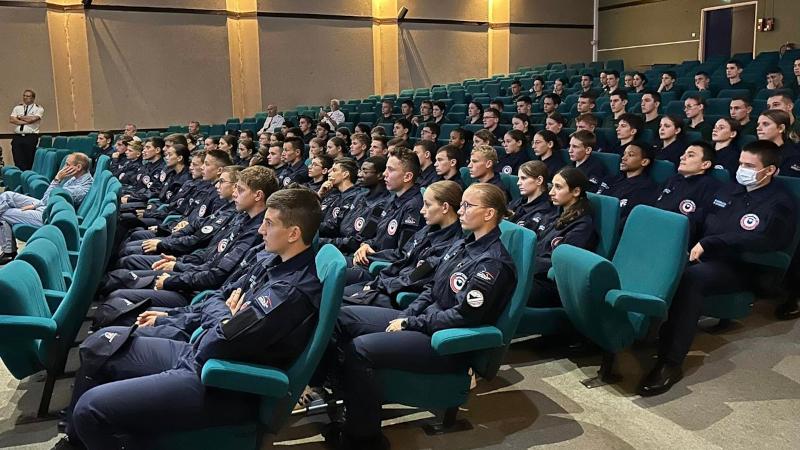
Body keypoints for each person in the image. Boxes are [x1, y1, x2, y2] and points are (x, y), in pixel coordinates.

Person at [60, 189, 323, 450]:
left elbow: (217, 342)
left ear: (293, 233)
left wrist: (222, 316)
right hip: (198, 354)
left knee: (89, 409)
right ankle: (76, 443)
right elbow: (217, 298)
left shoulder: (287, 292)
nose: (260, 230)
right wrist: (224, 314)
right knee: (100, 346)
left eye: (269, 223)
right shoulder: (272, 261)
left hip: (220, 380)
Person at [321, 183, 516, 449]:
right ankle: (351, 398)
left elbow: (463, 316)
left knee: (360, 349)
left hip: (443, 340)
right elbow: (430, 288)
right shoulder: (463, 243)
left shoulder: (492, 264)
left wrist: (411, 323)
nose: (460, 211)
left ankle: (363, 438)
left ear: (489, 214)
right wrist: (408, 313)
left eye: (468, 206)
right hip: (422, 320)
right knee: (341, 318)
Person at [639, 140, 797, 396]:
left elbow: (768, 240)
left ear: (769, 171)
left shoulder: (780, 202)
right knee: (665, 261)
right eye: (740, 163)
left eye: (749, 165)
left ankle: (670, 362)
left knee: (691, 279)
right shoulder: (729, 190)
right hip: (708, 255)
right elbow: (701, 218)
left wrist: (713, 242)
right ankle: (645, 329)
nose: (742, 169)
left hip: (744, 266)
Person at [100, 166, 277, 312]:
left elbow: (217, 276)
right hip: (193, 274)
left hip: (197, 291)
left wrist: (174, 275)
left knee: (119, 291)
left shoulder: (256, 233)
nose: (235, 194)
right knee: (122, 274)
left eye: (240, 190)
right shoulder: (241, 217)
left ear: (258, 195)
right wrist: (178, 264)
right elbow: (210, 256)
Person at [342, 180, 464, 304]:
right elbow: (402, 257)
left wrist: (378, 285)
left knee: (339, 302)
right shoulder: (427, 231)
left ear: (445, 207)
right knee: (334, 288)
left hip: (399, 297)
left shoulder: (451, 246)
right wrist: (370, 256)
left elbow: (413, 278)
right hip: (388, 284)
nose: (422, 211)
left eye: (427, 205)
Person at [0, 153, 93, 263]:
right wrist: (36, 205)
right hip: (46, 205)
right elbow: (46, 198)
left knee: (4, 213)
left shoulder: (80, 189)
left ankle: (9, 252)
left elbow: (48, 198)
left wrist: (57, 179)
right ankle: (8, 250)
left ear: (78, 167)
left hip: (49, 215)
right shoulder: (75, 178)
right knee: (8, 195)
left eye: (67, 164)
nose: (64, 168)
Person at [530, 167, 598, 306]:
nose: (551, 192)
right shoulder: (556, 213)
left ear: (576, 191)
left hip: (552, 286)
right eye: (552, 186)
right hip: (535, 274)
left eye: (558, 187)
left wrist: (526, 262)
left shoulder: (582, 226)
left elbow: (561, 264)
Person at [351, 148, 423, 266]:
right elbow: (375, 235)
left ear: (407, 177)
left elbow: (403, 254)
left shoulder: (414, 207)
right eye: (385, 168)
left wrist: (371, 255)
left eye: (390, 169)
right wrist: (365, 245)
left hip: (382, 269)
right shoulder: (391, 199)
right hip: (370, 259)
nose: (384, 173)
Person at [654, 142, 723, 245]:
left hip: (678, 241)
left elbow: (701, 224)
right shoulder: (672, 180)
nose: (682, 157)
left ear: (705, 164)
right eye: (684, 154)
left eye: (690, 155)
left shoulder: (710, 187)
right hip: (653, 230)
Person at [596, 141, 657, 224]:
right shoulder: (610, 179)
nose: (623, 158)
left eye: (630, 155)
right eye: (624, 154)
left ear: (644, 162)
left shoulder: (646, 189)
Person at [508, 160, 556, 232]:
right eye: (519, 179)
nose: (518, 183)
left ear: (539, 180)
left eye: (523, 178)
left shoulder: (546, 212)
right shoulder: (519, 201)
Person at [756, 109, 800, 177]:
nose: (758, 128)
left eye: (765, 124)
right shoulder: (754, 150)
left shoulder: (795, 154)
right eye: (758, 124)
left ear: (781, 128)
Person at [8, 89, 44, 171]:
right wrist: (26, 120)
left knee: (29, 159)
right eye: (24, 95)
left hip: (30, 137)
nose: (25, 97)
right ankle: (20, 177)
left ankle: (27, 176)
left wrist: (19, 117)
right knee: (18, 159)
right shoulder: (17, 107)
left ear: (33, 98)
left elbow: (33, 119)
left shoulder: (38, 108)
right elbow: (11, 120)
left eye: (28, 96)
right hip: (18, 137)